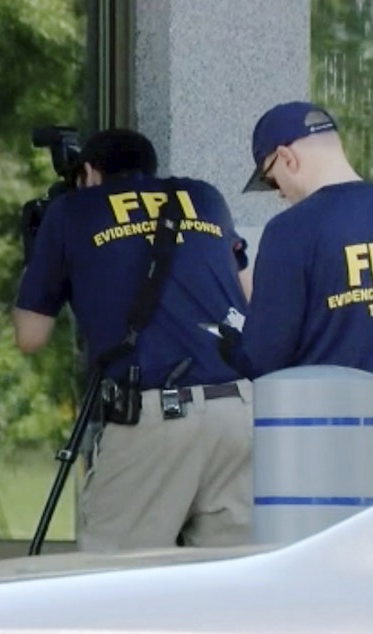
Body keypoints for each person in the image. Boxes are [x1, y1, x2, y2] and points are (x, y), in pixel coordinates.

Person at [13, 128, 254, 551]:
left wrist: (39, 259)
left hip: (157, 415)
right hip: (238, 411)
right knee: (228, 586)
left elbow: (30, 336)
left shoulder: (73, 212)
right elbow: (247, 295)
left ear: (89, 173)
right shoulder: (204, 197)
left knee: (113, 583)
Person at [224, 100, 373, 494]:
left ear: (286, 158)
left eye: (271, 180)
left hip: (333, 459)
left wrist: (226, 340)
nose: (278, 195)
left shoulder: (291, 231)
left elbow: (265, 356)